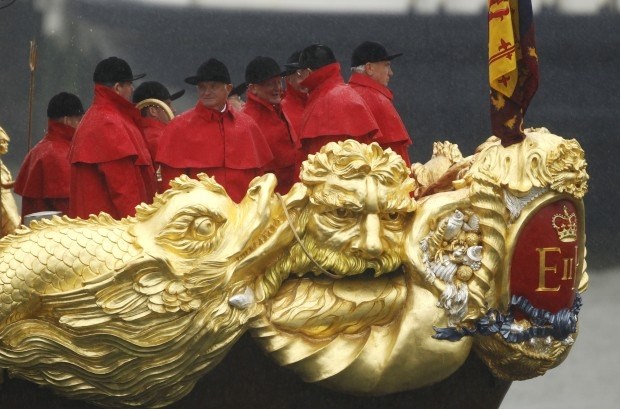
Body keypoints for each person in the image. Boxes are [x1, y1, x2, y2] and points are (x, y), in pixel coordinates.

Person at [155, 58, 273, 203]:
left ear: (228, 88)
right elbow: (171, 186)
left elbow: (260, 180)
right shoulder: (178, 127)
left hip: (242, 213)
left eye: (213, 86)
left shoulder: (248, 126)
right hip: (199, 214)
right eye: (202, 87)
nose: (207, 92)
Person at [68, 57, 157, 220]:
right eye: (129, 84)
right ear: (117, 88)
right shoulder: (110, 123)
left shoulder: (94, 117)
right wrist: (137, 226)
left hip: (96, 226)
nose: (132, 89)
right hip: (112, 229)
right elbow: (124, 189)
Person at [290, 44, 381, 162]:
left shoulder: (322, 102)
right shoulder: (348, 94)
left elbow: (320, 160)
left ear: (308, 73)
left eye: (300, 73)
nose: (300, 78)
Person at [14, 92, 85, 218]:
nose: (82, 125)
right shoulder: (59, 155)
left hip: (35, 227)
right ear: (67, 120)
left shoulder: (38, 150)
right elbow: (68, 209)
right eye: (79, 120)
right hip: (56, 228)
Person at [242, 56, 300, 194]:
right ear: (253, 88)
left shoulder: (278, 109)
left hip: (289, 190)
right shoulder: (248, 120)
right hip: (271, 194)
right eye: (270, 84)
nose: (277, 88)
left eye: (279, 82)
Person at [349, 41, 412, 166]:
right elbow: (398, 160)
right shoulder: (378, 101)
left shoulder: (345, 95)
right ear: (369, 68)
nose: (391, 73)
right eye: (386, 65)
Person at [132, 81, 185, 160]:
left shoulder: (132, 135)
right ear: (153, 111)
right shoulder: (162, 140)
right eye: (168, 105)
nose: (174, 110)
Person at [281, 50, 307, 138]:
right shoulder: (282, 110)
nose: (306, 80)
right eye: (300, 75)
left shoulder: (319, 103)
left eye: (308, 74)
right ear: (288, 79)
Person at [0, 126, 21, 236]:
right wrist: (22, 179)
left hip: (8, 199)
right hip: (3, 201)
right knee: (12, 227)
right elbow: (4, 185)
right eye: (3, 142)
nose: (6, 145)